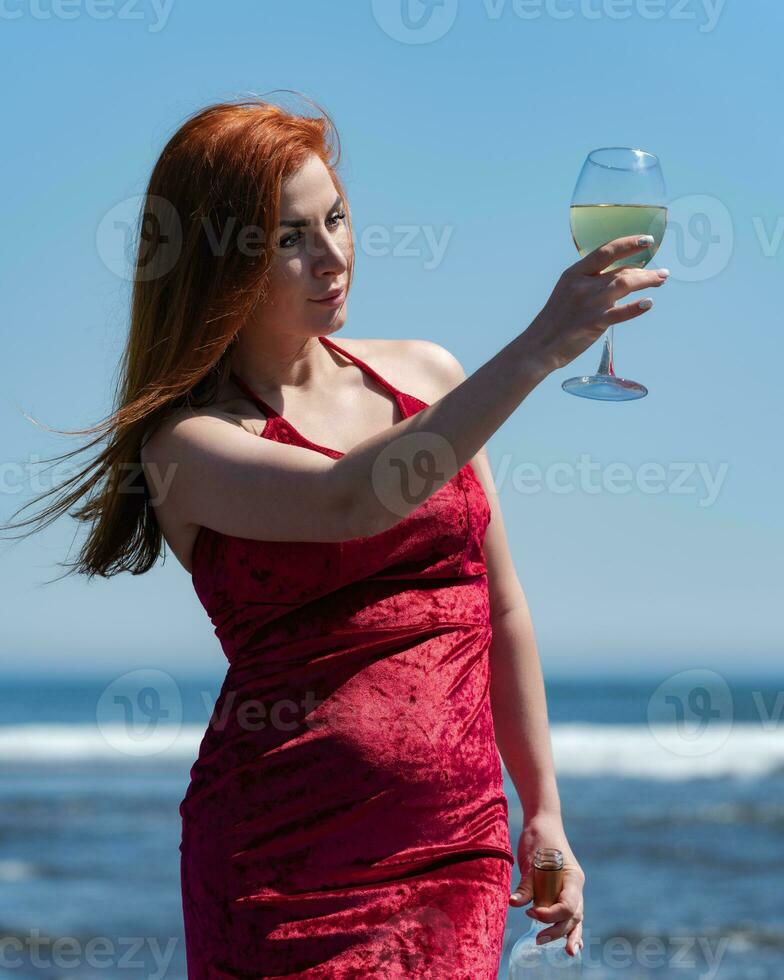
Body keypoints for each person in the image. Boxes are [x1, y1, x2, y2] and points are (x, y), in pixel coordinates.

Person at [3, 95, 667, 978]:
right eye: (290, 239)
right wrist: (541, 347)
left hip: (456, 848)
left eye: (338, 218)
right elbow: (351, 500)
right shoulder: (189, 445)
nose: (333, 255)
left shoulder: (429, 375)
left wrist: (544, 812)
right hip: (282, 863)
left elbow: (498, 606)